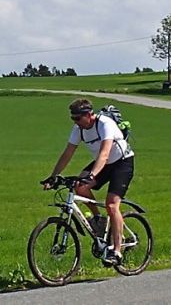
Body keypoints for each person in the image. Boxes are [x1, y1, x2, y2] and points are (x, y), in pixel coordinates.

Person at [41, 98, 135, 266]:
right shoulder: (79, 129)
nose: (75, 122)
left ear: (89, 114)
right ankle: (99, 220)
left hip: (121, 163)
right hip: (103, 164)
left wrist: (92, 175)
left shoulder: (104, 124)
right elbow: (68, 153)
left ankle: (117, 251)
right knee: (79, 186)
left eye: (78, 118)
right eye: (73, 118)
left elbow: (104, 153)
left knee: (112, 205)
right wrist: (54, 176)